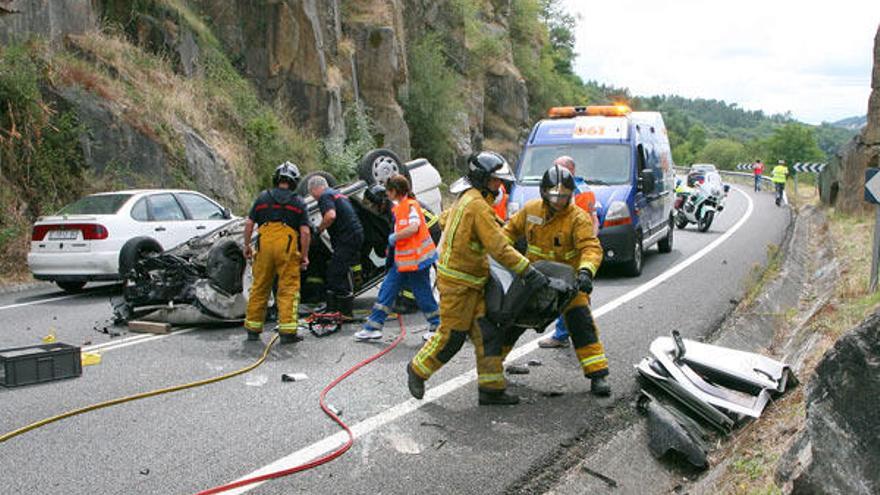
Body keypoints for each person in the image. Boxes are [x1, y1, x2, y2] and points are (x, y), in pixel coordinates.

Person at [407, 151, 548, 406]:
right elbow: (498, 247)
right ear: (482, 179)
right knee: (452, 336)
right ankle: (417, 369)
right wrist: (528, 271)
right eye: (495, 181)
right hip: (458, 285)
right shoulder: (476, 205)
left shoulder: (468, 198)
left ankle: (491, 389)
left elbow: (446, 219)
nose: (500, 186)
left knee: (488, 334)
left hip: (473, 281)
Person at [503, 164, 611, 396]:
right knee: (513, 321)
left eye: (564, 196)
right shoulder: (531, 210)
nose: (559, 201)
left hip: (569, 284)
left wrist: (585, 272)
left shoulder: (577, 218)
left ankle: (598, 375)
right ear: (543, 192)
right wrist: (499, 253)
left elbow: (591, 247)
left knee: (581, 324)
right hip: (535, 280)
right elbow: (508, 232)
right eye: (555, 195)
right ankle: (491, 367)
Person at [355, 175, 440, 341]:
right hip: (404, 260)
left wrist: (394, 237)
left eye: (389, 191)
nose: (387, 194)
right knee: (388, 288)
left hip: (416, 260)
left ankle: (437, 325)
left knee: (421, 293)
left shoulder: (409, 206)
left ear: (394, 191)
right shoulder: (400, 207)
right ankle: (373, 327)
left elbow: (413, 227)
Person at [243, 162, 311, 343]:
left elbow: (249, 224)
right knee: (288, 289)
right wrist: (304, 256)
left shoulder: (263, 198)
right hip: (287, 248)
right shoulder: (298, 202)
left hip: (264, 246)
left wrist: (247, 245)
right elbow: (305, 232)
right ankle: (288, 332)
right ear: (294, 181)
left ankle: (252, 329)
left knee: (259, 287)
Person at [538, 155, 599, 349]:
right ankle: (577, 331)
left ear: (569, 171)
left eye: (558, 168)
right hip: (581, 246)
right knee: (577, 294)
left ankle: (563, 334)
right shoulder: (586, 189)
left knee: (569, 294)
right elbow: (595, 218)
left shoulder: (574, 193)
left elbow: (569, 219)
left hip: (571, 248)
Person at [309, 175, 364, 317]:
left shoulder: (324, 196)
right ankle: (335, 308)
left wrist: (318, 230)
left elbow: (330, 216)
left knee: (335, 273)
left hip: (347, 238)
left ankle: (344, 312)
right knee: (339, 270)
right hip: (354, 235)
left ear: (315, 189)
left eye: (311, 194)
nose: (313, 198)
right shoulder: (338, 194)